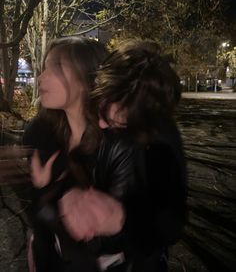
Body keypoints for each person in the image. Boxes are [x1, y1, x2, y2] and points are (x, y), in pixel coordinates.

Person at [23, 36, 144, 272]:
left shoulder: (121, 144)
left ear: (87, 78)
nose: (41, 77)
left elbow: (138, 231)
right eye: (44, 67)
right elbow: (37, 209)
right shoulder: (40, 133)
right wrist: (40, 244)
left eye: (56, 68)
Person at [91, 39, 188, 271]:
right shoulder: (120, 126)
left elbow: (170, 226)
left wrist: (121, 222)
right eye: (101, 102)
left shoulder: (160, 147)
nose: (101, 123)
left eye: (115, 118)